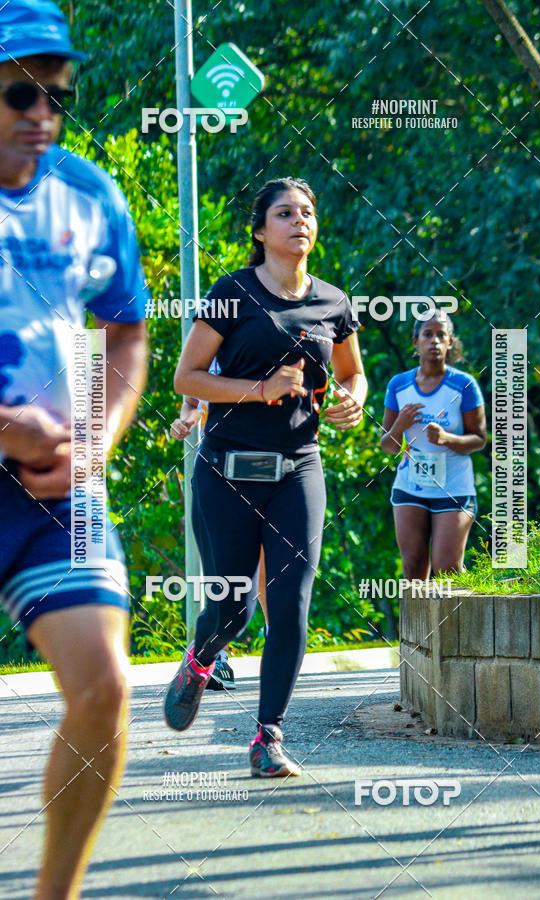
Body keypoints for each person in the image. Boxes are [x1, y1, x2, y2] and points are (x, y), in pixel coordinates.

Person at [0, 2, 148, 896]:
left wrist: (96, 439)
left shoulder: (89, 194)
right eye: (20, 94)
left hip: (55, 486)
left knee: (104, 689)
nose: (42, 114)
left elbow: (125, 331)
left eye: (57, 96)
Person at [164, 176, 367, 776]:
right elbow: (187, 377)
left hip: (299, 466)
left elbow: (353, 373)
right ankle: (200, 661)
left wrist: (353, 401)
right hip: (228, 468)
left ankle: (268, 737)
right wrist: (260, 389)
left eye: (307, 212)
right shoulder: (231, 293)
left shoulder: (333, 302)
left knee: (292, 602)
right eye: (284, 213)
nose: (299, 221)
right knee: (234, 607)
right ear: (259, 230)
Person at [170, 389, 269, 691]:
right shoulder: (205, 361)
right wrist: (185, 421)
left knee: (265, 558)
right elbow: (191, 403)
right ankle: (217, 653)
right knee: (220, 565)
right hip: (215, 467)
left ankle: (275, 635)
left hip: (266, 462)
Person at [381, 311, 486, 579]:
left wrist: (447, 439)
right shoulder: (399, 385)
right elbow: (387, 445)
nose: (434, 341)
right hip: (410, 486)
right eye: (428, 334)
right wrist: (399, 426)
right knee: (413, 568)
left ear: (450, 341)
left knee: (447, 569)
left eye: (441, 335)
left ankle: (458, 609)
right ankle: (417, 612)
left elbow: (479, 439)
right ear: (416, 341)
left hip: (453, 487)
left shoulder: (464, 385)